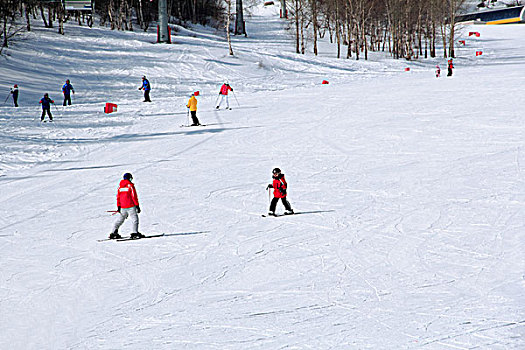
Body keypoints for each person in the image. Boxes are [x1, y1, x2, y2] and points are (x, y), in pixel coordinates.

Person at [109, 173, 144, 239]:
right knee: (135, 219)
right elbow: (134, 196)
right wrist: (137, 205)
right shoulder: (130, 185)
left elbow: (118, 197)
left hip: (123, 207)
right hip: (131, 206)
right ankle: (134, 232)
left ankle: (113, 232)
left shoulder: (120, 187)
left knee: (120, 219)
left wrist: (119, 206)